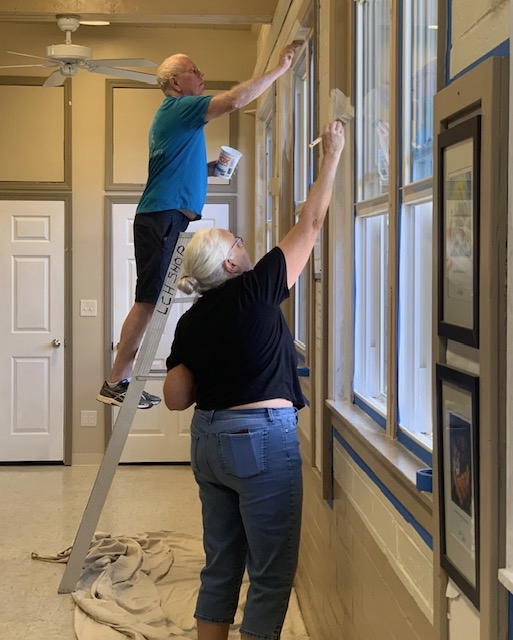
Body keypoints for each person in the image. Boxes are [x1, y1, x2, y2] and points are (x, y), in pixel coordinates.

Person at [163, 121, 345, 640]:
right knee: (270, 573)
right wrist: (331, 153)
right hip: (261, 438)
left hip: (208, 440)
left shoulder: (191, 319)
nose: (247, 246)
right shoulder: (257, 287)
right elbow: (310, 224)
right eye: (239, 242)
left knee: (221, 562)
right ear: (230, 262)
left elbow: (176, 398)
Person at [97, 43, 299, 409]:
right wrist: (279, 70)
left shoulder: (178, 118)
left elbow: (175, 167)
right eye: (195, 70)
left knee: (152, 298)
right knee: (149, 301)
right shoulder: (180, 108)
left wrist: (209, 170)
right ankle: (115, 380)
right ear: (176, 82)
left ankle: (117, 378)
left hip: (167, 213)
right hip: (162, 214)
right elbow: (235, 100)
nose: (202, 76)